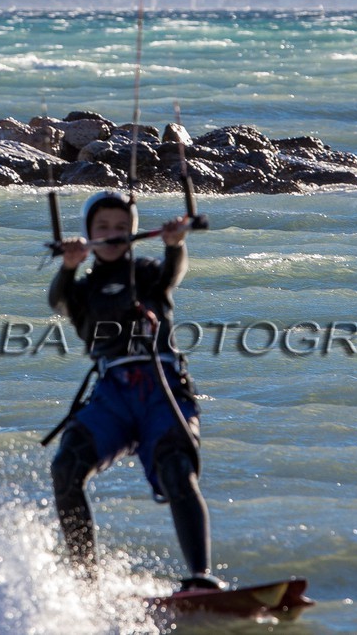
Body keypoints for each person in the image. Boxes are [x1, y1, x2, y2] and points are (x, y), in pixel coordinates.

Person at [46, 190, 223, 592]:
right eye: (103, 228)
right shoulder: (81, 289)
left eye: (122, 228)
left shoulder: (146, 273)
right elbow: (57, 301)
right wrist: (68, 268)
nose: (112, 235)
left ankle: (199, 578)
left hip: (161, 390)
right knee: (65, 469)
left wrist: (175, 245)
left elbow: (171, 275)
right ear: (88, 233)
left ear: (133, 232)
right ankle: (86, 584)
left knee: (177, 469)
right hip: (113, 395)